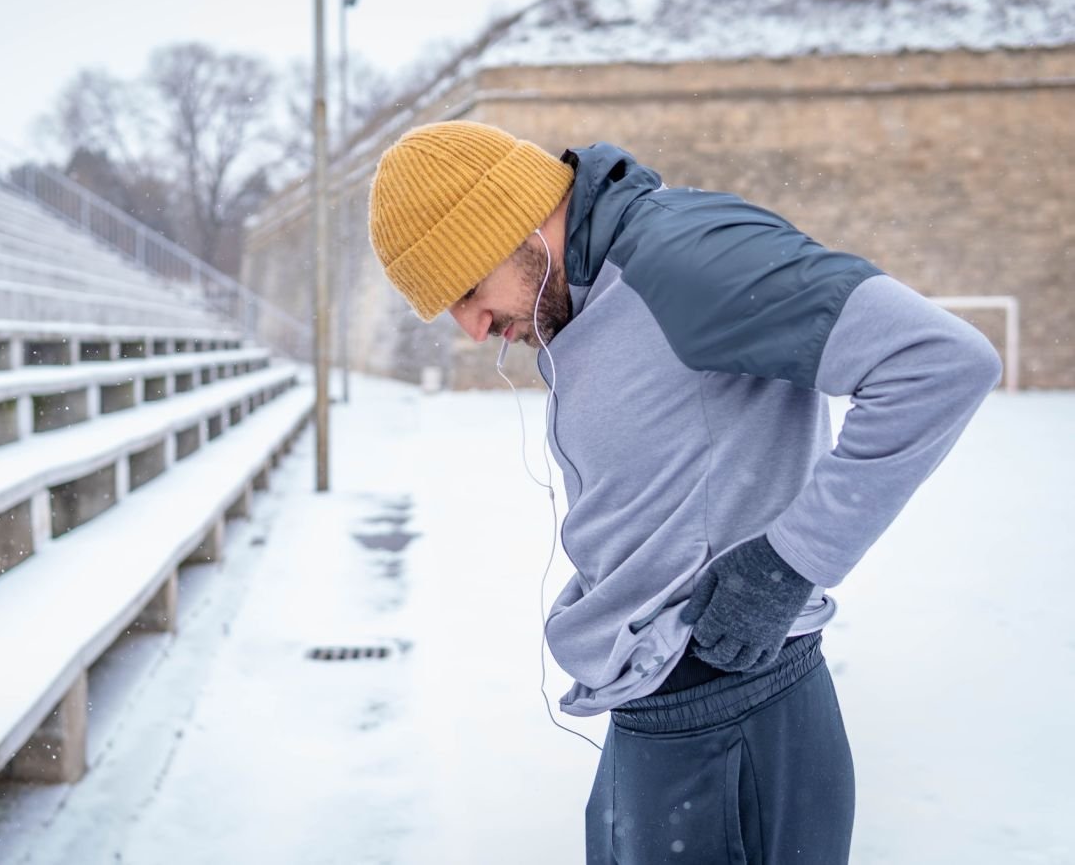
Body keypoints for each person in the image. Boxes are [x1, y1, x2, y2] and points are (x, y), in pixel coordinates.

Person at [366, 120, 1002, 864]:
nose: (472, 329)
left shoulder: (681, 259)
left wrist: (786, 564)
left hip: (730, 712)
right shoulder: (589, 291)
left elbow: (939, 362)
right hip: (660, 706)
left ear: (516, 225)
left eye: (467, 290)